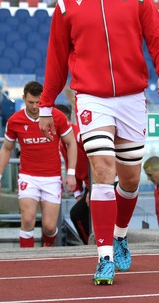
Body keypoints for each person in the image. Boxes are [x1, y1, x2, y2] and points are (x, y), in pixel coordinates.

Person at [38, 0, 159, 285]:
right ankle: (103, 257)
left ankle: (119, 235)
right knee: (102, 169)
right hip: (91, 98)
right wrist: (45, 105)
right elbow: (55, 61)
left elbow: (158, 38)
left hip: (131, 98)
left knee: (129, 180)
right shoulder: (67, 4)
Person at [0, 81, 77, 248]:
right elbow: (6, 149)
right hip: (28, 177)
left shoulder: (57, 116)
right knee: (28, 218)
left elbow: (71, 143)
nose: (35, 106)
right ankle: (26, 259)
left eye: (38, 102)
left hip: (52, 177)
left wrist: (71, 173)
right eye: (31, 102)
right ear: (24, 98)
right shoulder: (15, 121)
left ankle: (48, 246)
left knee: (50, 227)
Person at [56, 104, 91, 245]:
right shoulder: (62, 143)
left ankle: (99, 245)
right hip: (90, 185)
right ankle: (91, 245)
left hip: (102, 181)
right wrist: (78, 194)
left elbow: (97, 160)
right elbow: (73, 167)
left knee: (80, 214)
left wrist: (95, 188)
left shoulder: (79, 135)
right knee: (77, 214)